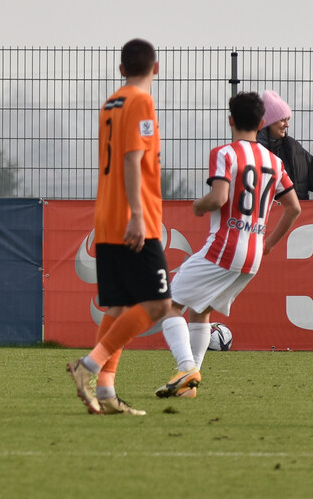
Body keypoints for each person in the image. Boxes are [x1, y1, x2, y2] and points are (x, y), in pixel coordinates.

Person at [155, 92, 301, 398]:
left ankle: (186, 368)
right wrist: (269, 243)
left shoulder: (225, 153)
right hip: (253, 255)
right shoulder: (274, 161)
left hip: (225, 247)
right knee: (200, 310)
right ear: (262, 123)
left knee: (167, 305)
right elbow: (294, 207)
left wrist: (200, 204)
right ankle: (189, 385)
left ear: (230, 120)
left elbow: (219, 197)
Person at [66, 39, 170, 416]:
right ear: (155, 68)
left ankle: (106, 391)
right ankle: (89, 366)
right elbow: (132, 159)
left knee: (121, 306)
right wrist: (139, 216)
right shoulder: (142, 102)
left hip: (107, 217)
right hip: (133, 219)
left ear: (121, 68)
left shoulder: (110, 103)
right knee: (158, 304)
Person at [256, 90, 313, 200]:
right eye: (282, 120)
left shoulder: (293, 146)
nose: (287, 125)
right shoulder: (254, 150)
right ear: (268, 122)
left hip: (296, 214)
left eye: (288, 120)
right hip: (266, 215)